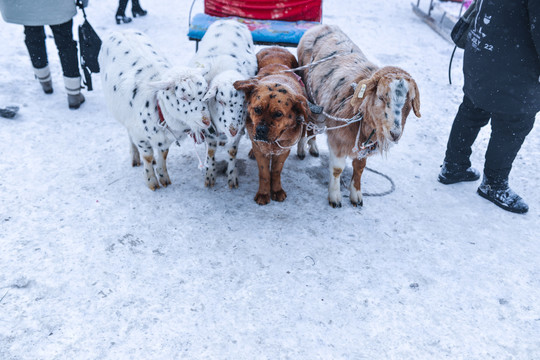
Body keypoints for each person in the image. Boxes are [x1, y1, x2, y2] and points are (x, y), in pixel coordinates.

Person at [439, 0, 539, 214]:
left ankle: (454, 166)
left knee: (473, 107)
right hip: (512, 65)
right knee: (514, 122)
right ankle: (494, 184)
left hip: (481, 50)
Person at [0, 0, 87, 109]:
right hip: (58, 5)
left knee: (33, 38)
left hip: (25, 4)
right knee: (66, 44)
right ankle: (73, 93)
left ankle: (45, 82)